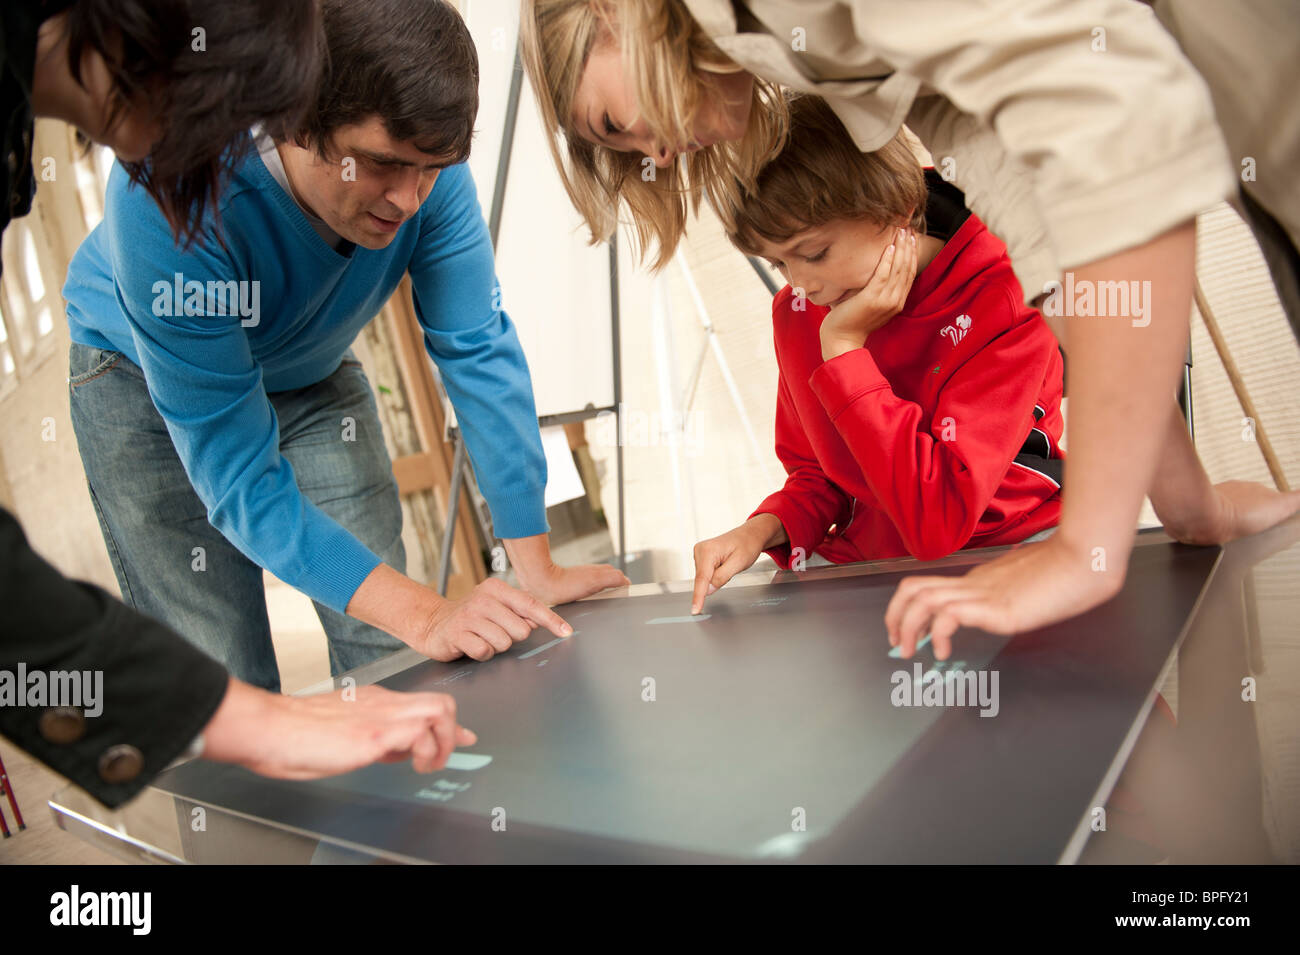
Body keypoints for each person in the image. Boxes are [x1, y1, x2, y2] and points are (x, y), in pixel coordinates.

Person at [521, 0, 1300, 655]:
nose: (654, 152)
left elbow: (1109, 139)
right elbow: (1048, 228)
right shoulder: (862, 80)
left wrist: (1082, 549)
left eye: (613, 120)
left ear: (607, 9)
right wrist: (1193, 509)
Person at [62, 0, 630, 693]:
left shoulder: (429, 175)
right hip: (139, 382)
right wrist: (430, 615)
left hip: (307, 367)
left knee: (385, 646)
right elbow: (239, 477)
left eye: (431, 169)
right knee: (222, 673)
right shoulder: (169, 198)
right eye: (385, 165)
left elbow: (477, 347)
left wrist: (533, 561)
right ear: (298, 121)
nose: (409, 198)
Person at [1, 0, 471, 809]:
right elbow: (239, 480)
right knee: (214, 650)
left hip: (273, 373)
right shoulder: (150, 206)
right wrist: (244, 715)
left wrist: (254, 720)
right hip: (127, 374)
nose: (250, 143)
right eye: (252, 102)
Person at [690, 96, 1066, 639]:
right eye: (778, 263)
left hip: (1013, 553)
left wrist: (845, 350)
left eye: (814, 252)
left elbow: (937, 521)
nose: (799, 284)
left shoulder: (1005, 291)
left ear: (893, 209)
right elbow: (822, 474)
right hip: (869, 573)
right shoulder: (798, 314)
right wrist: (765, 528)